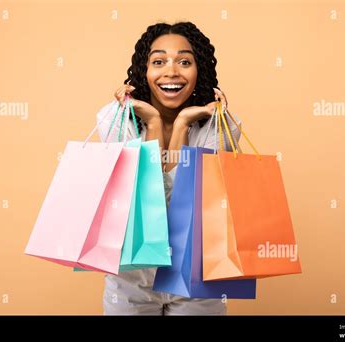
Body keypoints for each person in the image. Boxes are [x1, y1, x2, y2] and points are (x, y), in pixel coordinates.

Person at [96, 21, 242, 315]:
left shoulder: (220, 128)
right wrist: (151, 124)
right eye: (159, 61)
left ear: (199, 71)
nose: (171, 71)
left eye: (184, 62)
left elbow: (182, 209)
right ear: (144, 70)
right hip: (130, 280)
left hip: (197, 280)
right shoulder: (115, 121)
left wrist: (183, 124)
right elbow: (144, 203)